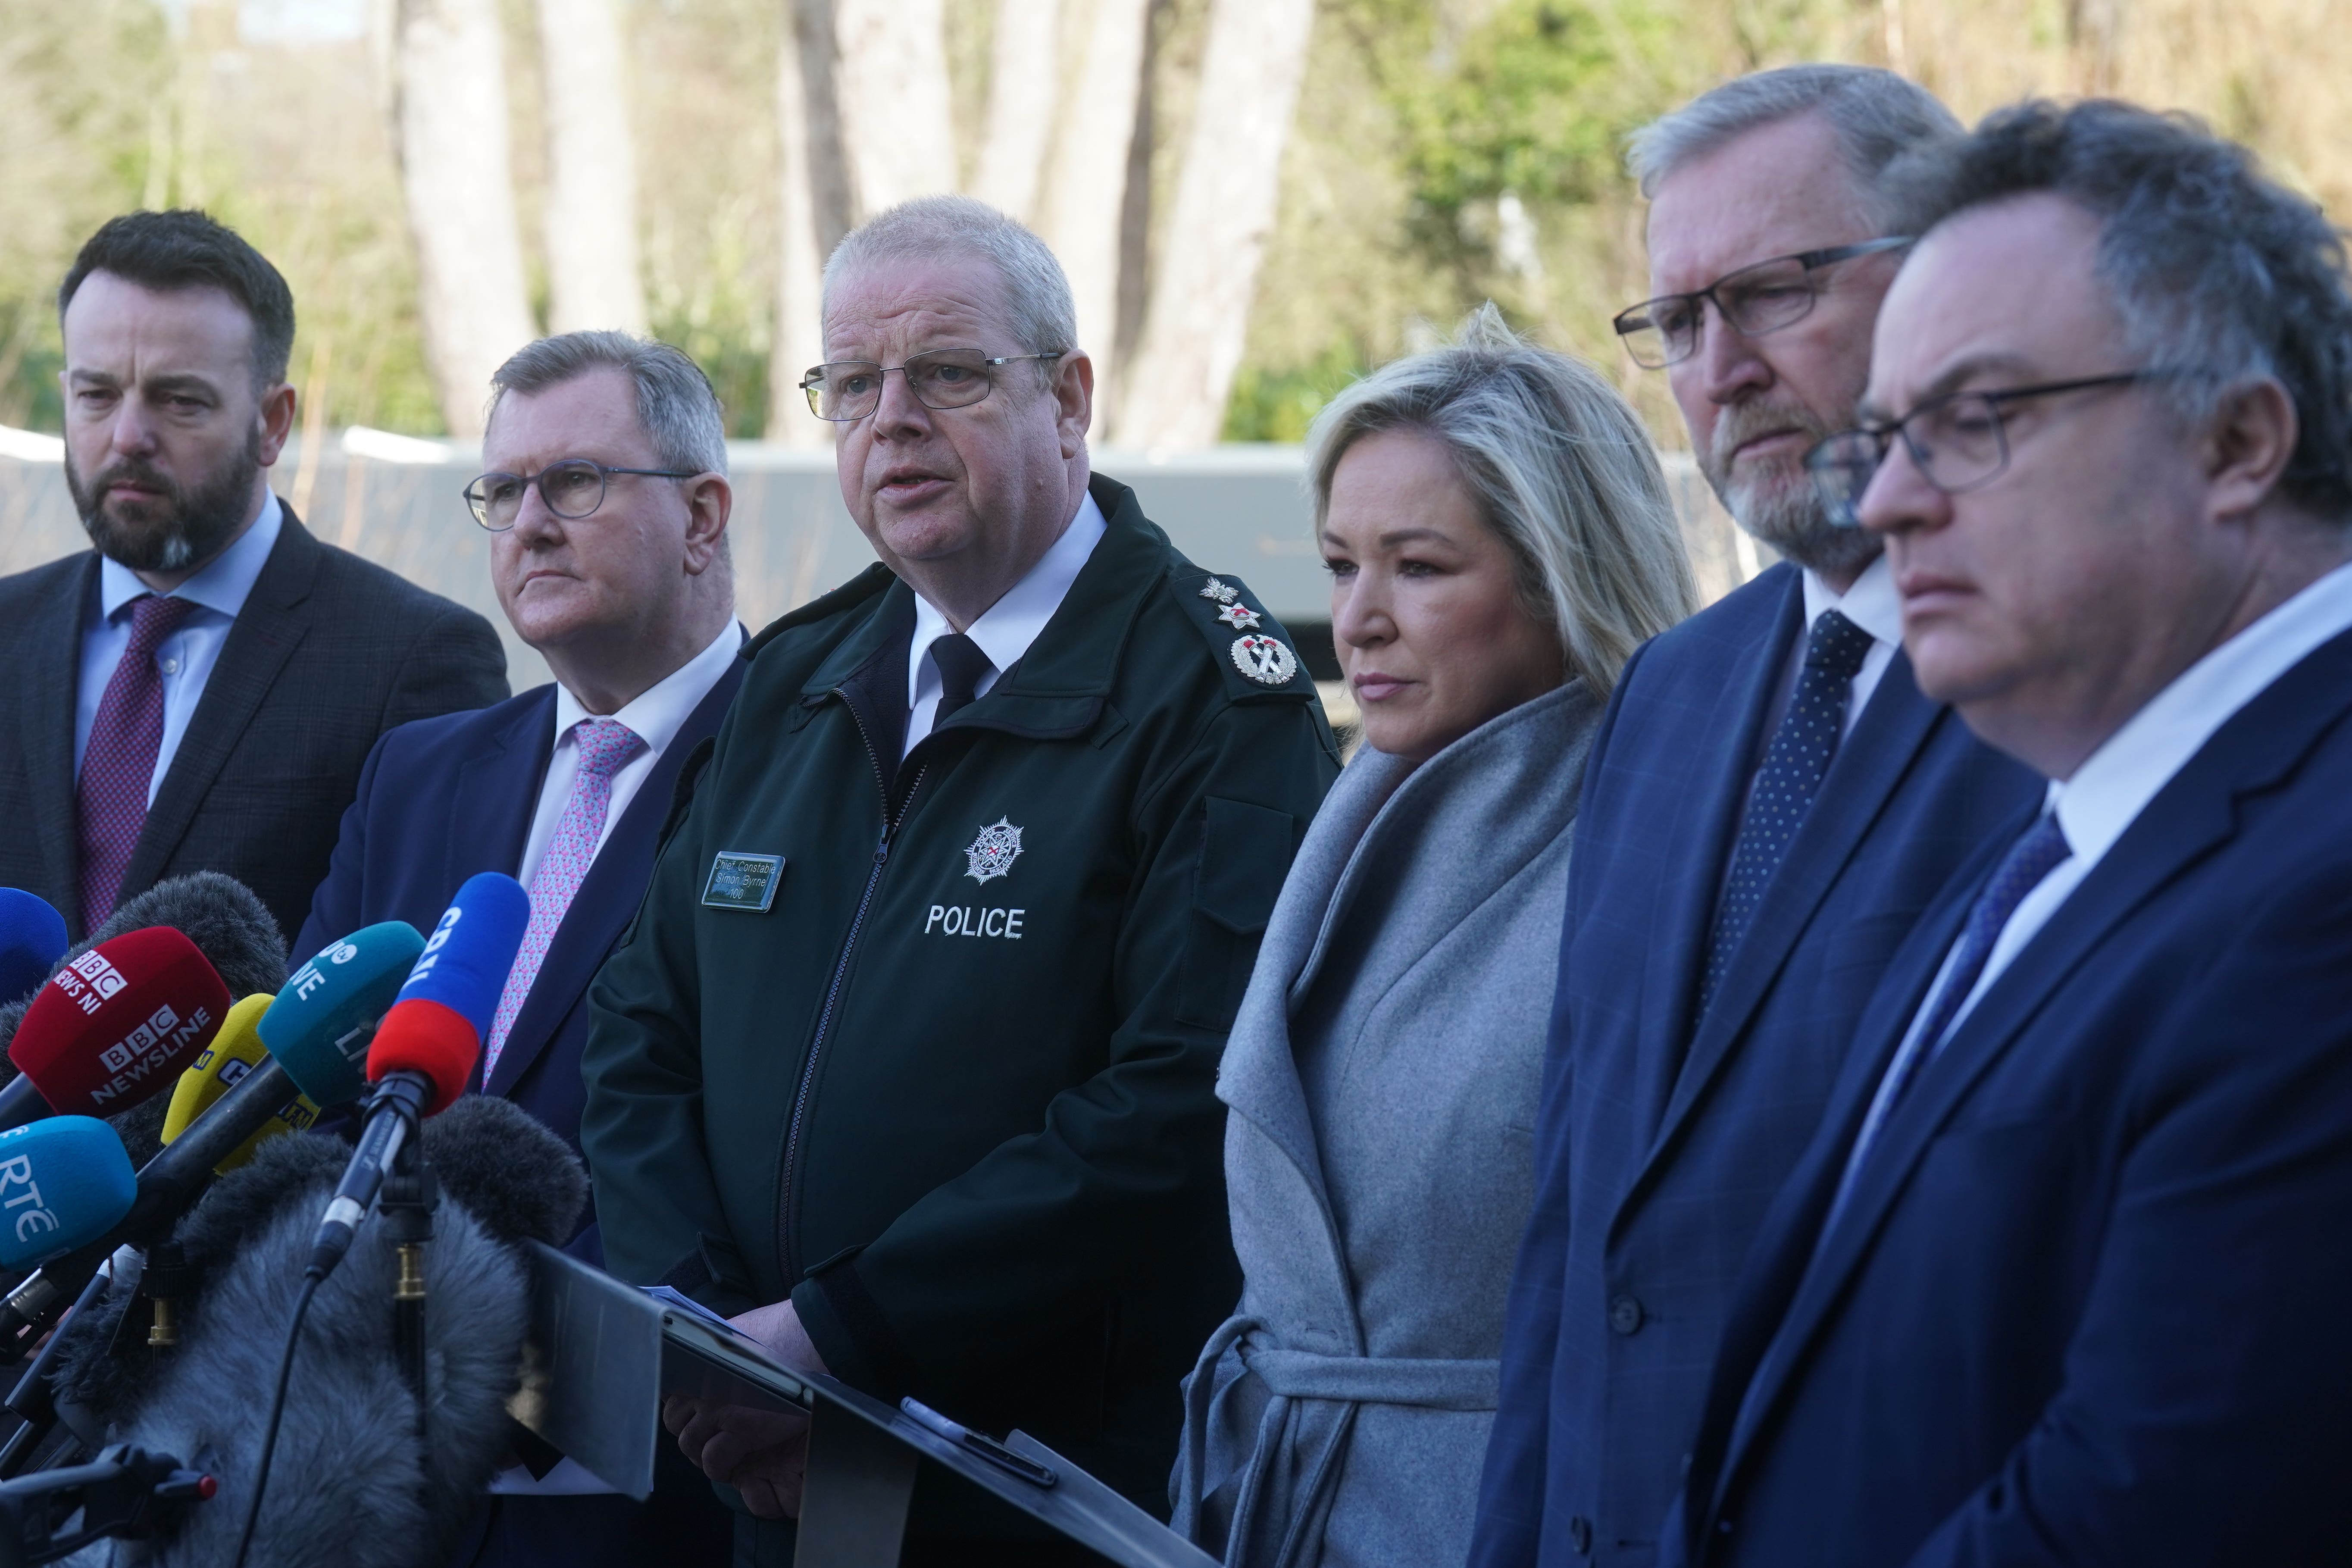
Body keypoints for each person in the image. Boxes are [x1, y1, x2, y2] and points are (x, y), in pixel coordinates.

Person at [580, 195, 1340, 1565]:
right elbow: (641, 1022)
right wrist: (704, 1337)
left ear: (1069, 397)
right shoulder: (797, 678)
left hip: (1041, 1486)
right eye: (852, 384)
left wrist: (841, 1336)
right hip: (763, 1457)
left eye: (948, 372)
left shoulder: (1212, 696)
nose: (892, 420)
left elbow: (1178, 1102)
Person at [1664, 100, 2352, 1568]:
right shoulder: (2068, 830)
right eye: (1887, 435)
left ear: (2235, 435)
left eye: (1972, 420)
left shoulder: (2320, 886)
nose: (1893, 500)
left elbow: (2160, 1504)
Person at [1472, 66, 2041, 1568]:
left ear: (1948, 273)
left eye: (1775, 292)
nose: (1717, 365)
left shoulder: (2068, 682)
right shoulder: (1671, 692)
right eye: (1675, 320)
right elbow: (1578, 1223)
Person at [1170, 308, 1695, 1568]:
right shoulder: (1354, 814)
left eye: (1418, 565)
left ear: (1566, 570)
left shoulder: (1668, 855)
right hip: (1280, 1501)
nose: (1357, 618)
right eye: (1341, 564)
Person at [294, 331, 741, 1568]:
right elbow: (310, 1080)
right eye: (505, 490)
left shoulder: (808, 767)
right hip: (371, 1474)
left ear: (704, 514)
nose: (530, 523)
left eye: (577, 482)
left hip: (650, 1487)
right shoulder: (421, 771)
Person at [0, 210, 508, 945]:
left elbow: (428, 978)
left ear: (273, 422)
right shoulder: (10, 633)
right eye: (97, 395)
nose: (129, 437)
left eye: (180, 401)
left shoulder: (412, 659)